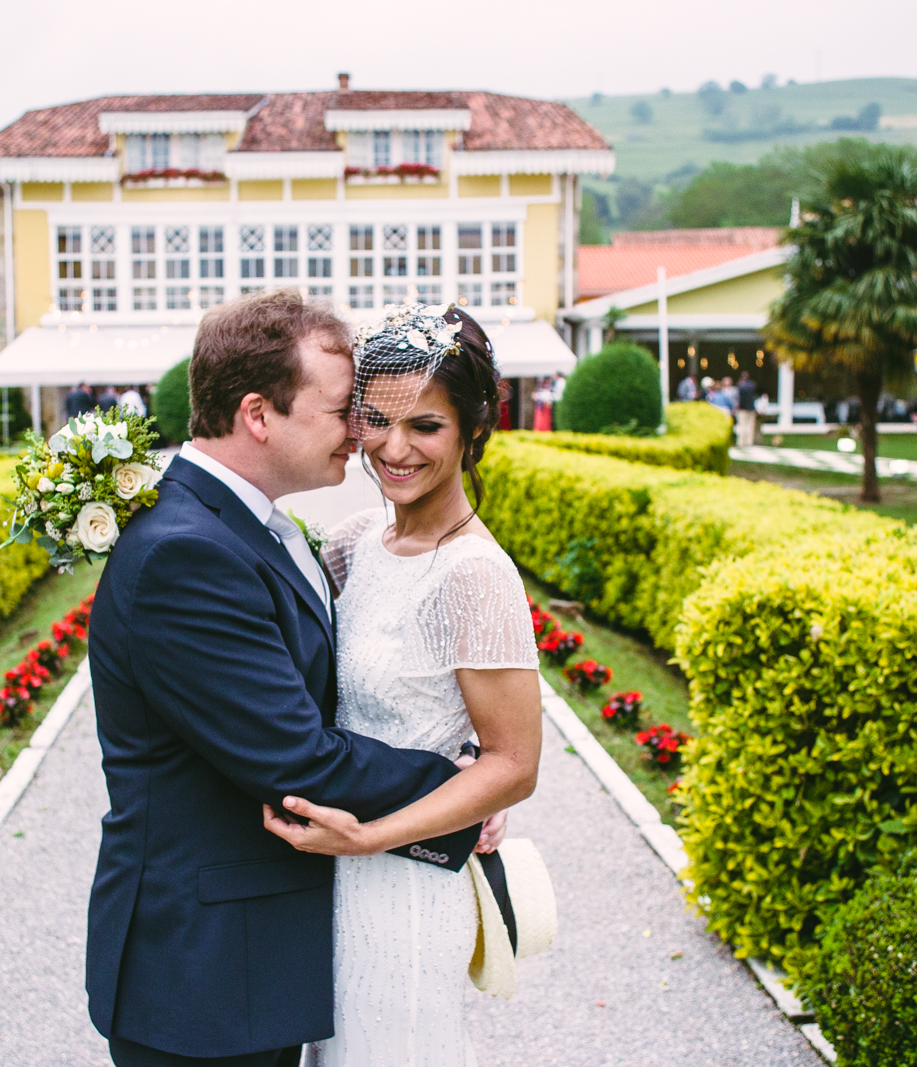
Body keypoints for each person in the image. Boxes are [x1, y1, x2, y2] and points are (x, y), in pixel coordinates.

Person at [85, 291, 488, 1067]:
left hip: (249, 956)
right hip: (202, 976)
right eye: (345, 409)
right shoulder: (186, 554)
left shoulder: (241, 520)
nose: (363, 433)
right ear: (258, 415)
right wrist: (459, 788)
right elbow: (296, 757)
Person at [263, 304, 541, 1066]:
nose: (393, 447)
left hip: (407, 890)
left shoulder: (476, 574)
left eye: (425, 425)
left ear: (473, 430)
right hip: (329, 886)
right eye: (375, 420)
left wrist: (369, 836)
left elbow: (514, 765)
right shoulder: (358, 542)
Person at [735, 372, 758, 447]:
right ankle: (749, 442)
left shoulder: (741, 385)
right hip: (751, 408)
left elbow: (739, 398)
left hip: (743, 408)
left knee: (742, 425)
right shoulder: (752, 385)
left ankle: (741, 441)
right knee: (750, 426)